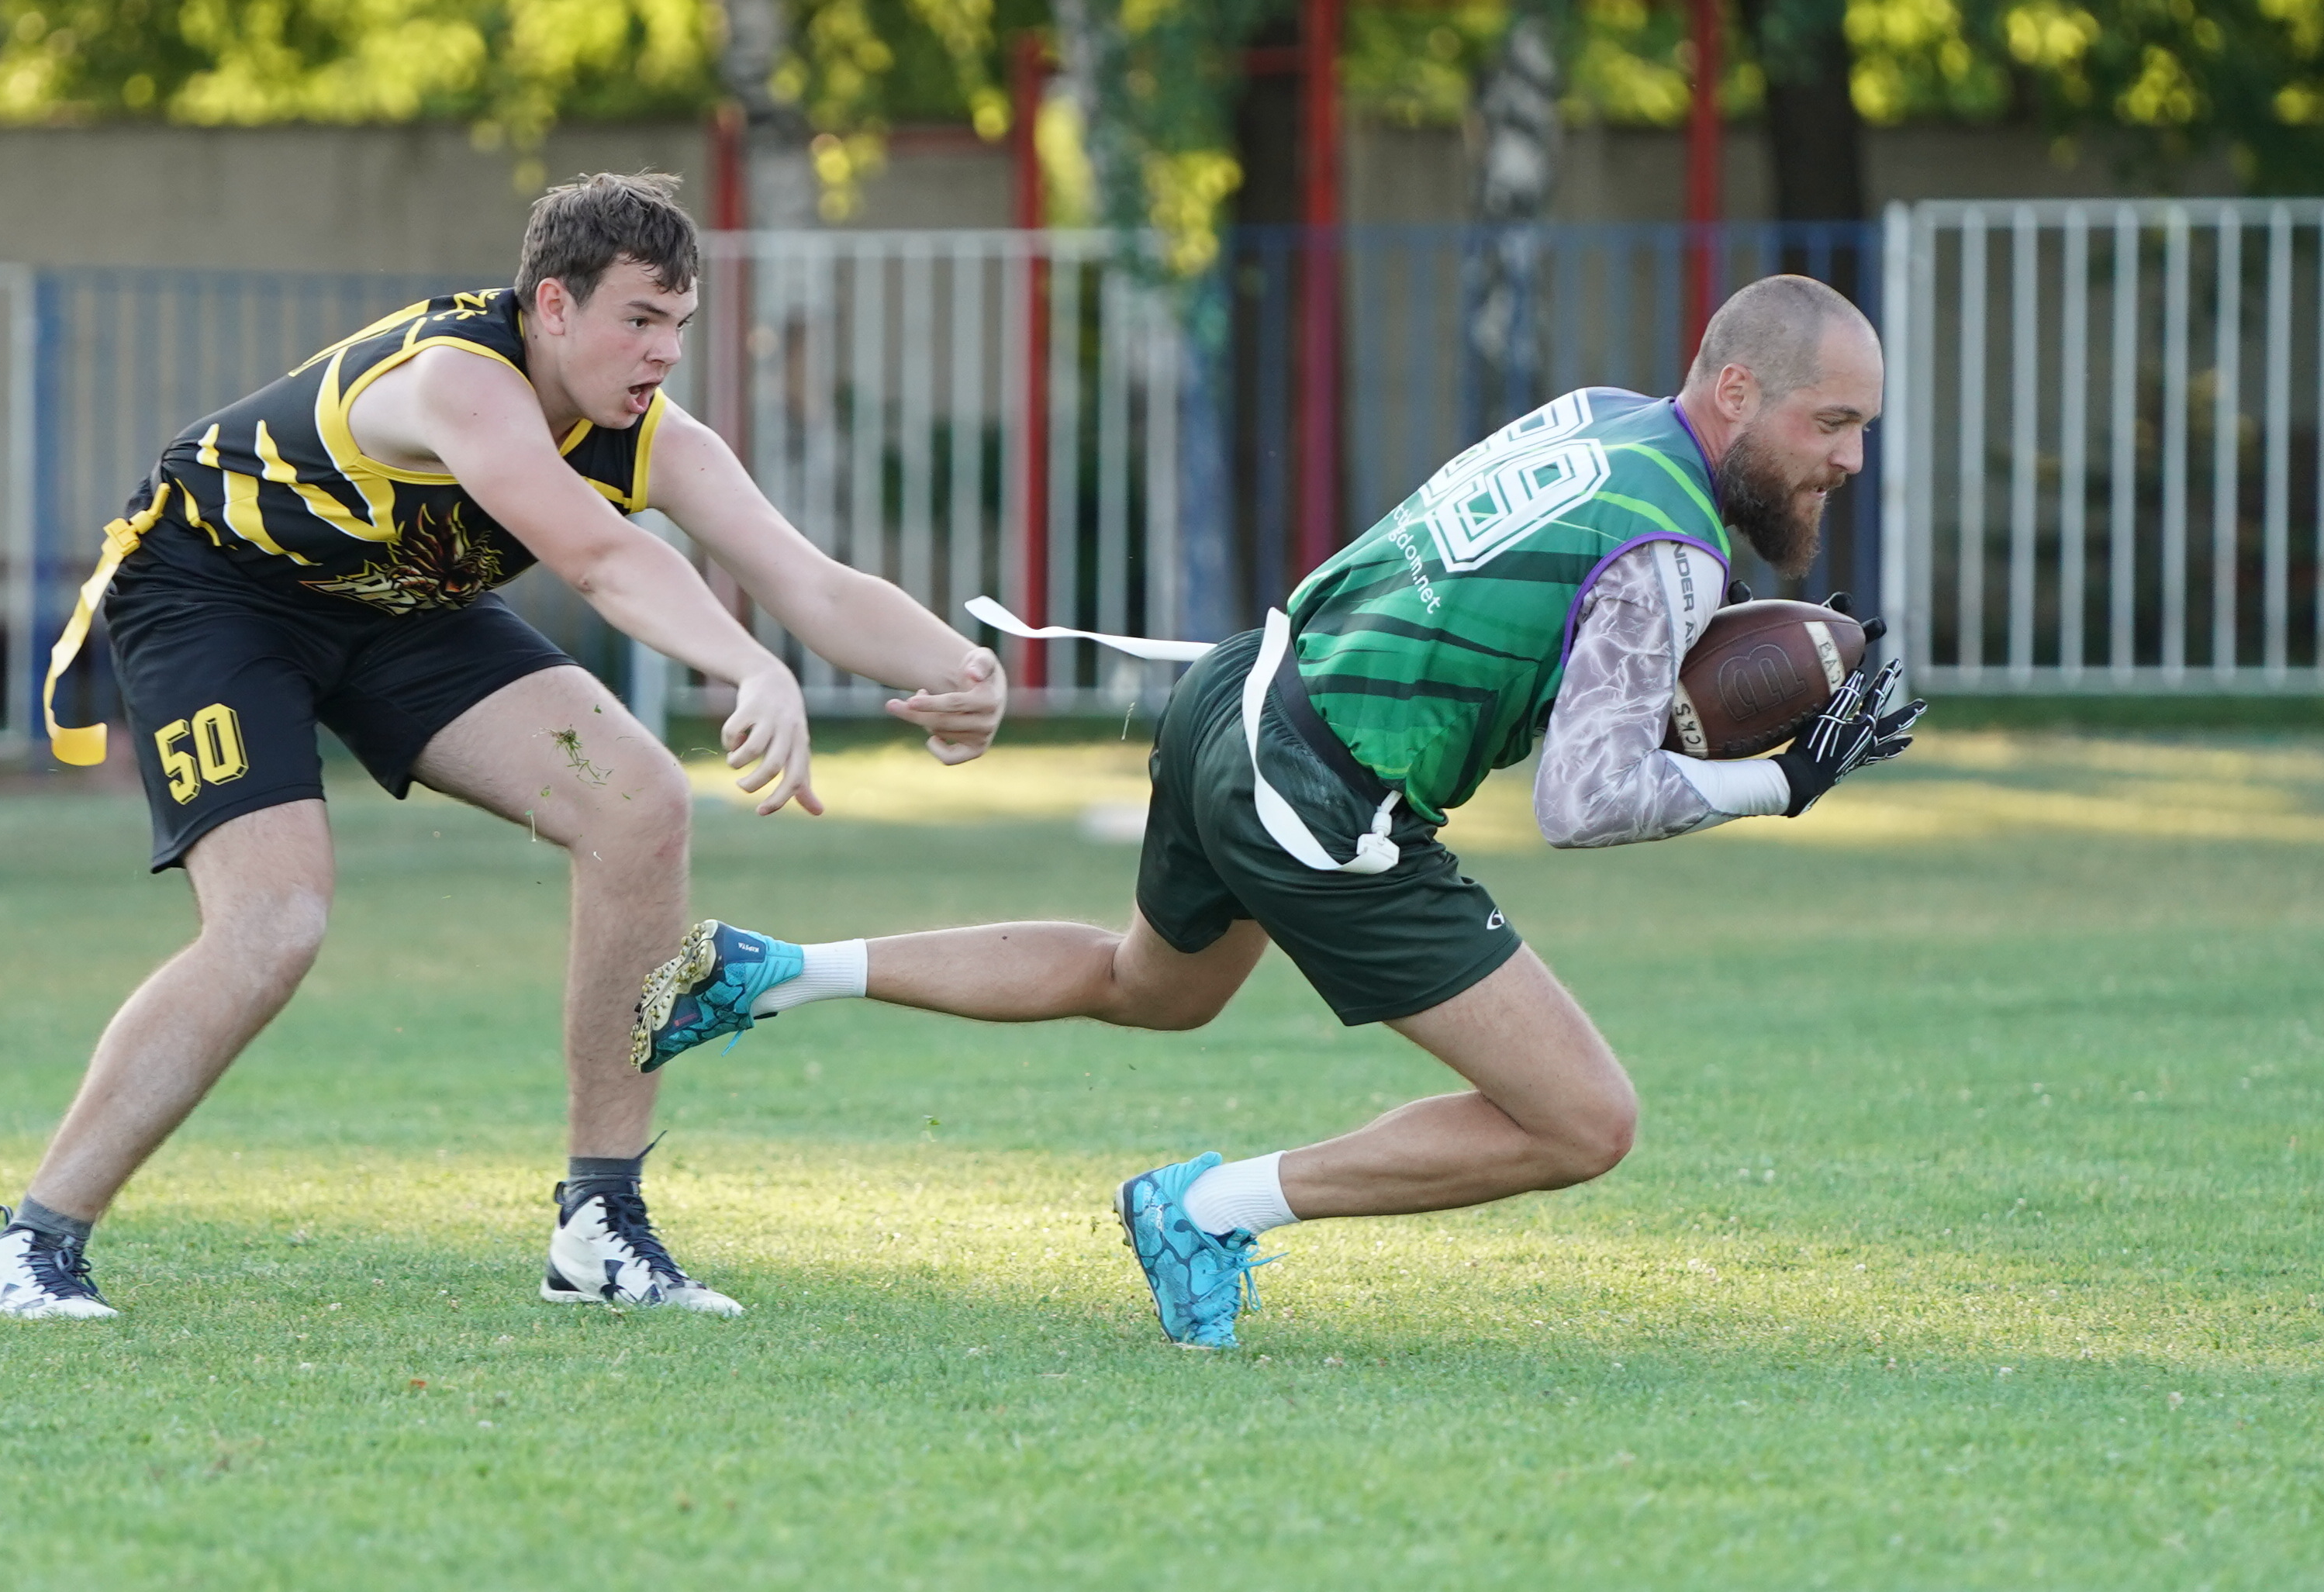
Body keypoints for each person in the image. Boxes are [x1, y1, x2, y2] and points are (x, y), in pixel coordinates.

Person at [630, 273, 1923, 1349]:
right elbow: (1586, 800)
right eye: (1833, 423)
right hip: (1319, 790)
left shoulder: (1599, 417)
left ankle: (772, 972)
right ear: (1739, 392)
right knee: (1585, 1119)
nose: (1851, 458)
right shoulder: (1668, 541)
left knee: (1154, 984)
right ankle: (1208, 1208)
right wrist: (1783, 778)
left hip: (1238, 694)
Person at [0, 172, 1006, 1321]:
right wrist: (748, 667)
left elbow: (809, 578)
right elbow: (602, 560)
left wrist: (957, 671)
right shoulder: (462, 379)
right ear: (553, 306)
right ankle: (29, 1242)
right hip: (218, 596)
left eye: (679, 327)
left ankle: (600, 1224)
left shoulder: (641, 430)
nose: (662, 354)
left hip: (397, 607)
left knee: (639, 801)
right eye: (638, 322)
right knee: (273, 920)